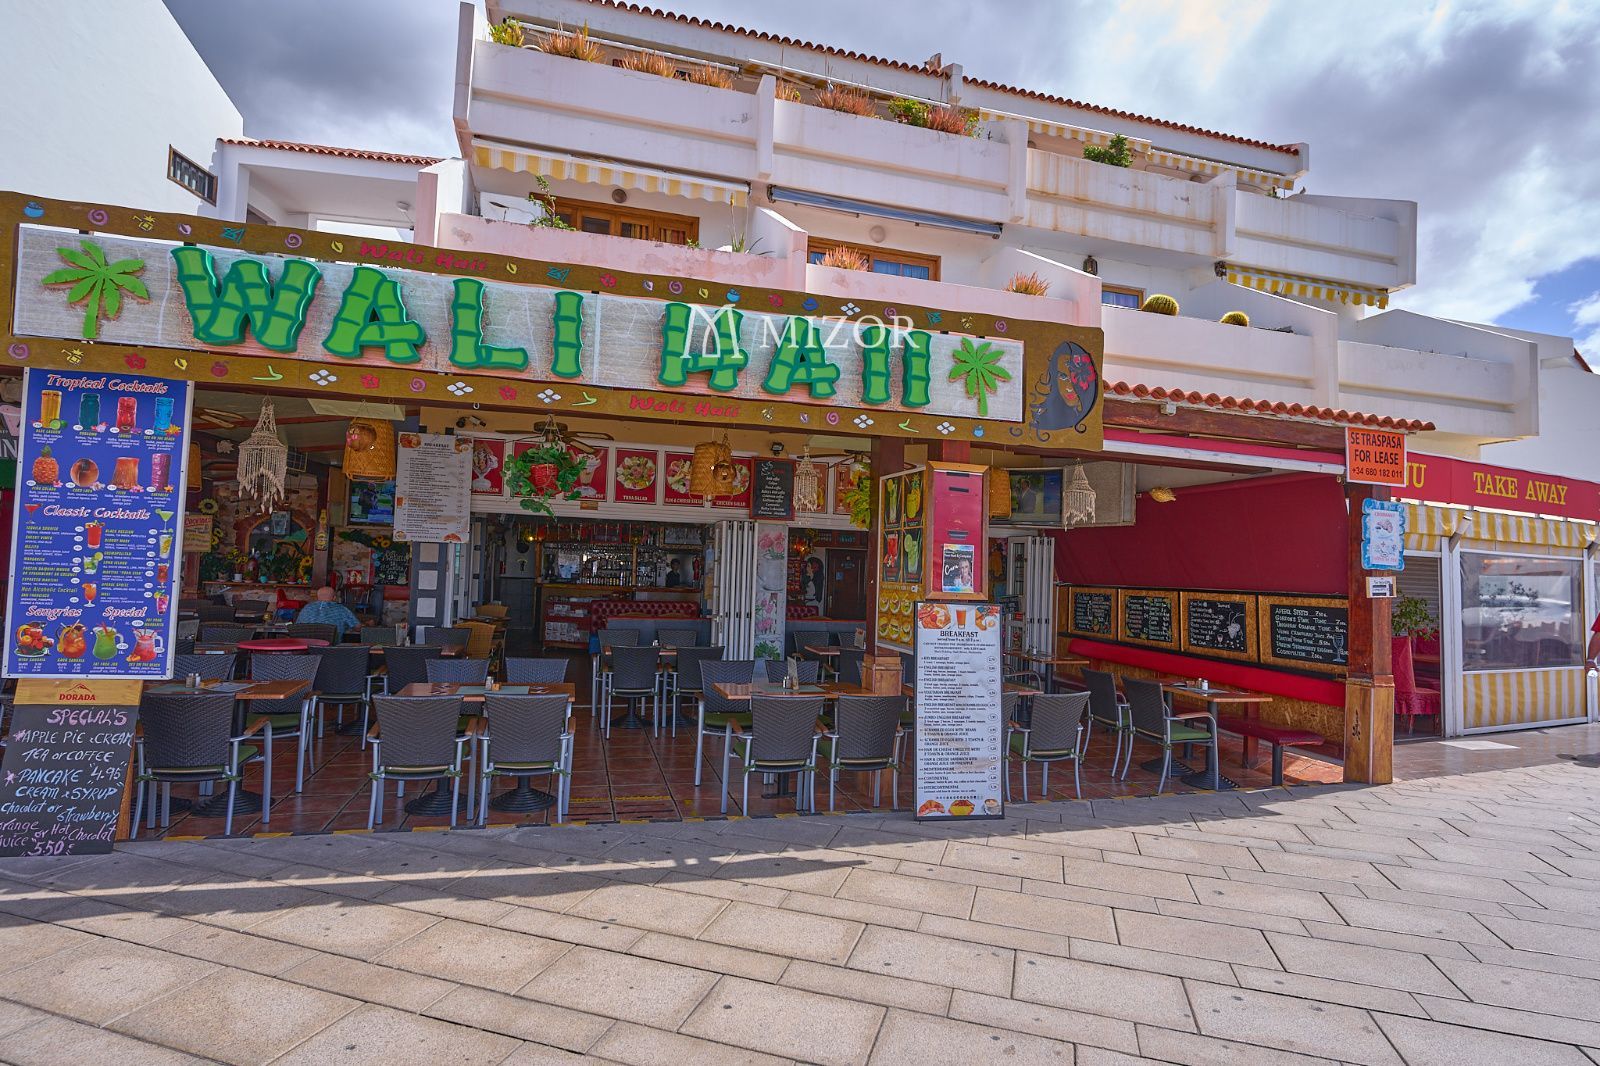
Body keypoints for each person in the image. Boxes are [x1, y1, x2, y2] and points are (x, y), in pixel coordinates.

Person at [296, 586, 361, 640]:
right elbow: (358, 627)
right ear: (334, 598)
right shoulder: (341, 609)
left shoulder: (307, 608)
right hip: (330, 649)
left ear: (317, 597)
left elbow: (297, 627)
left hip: (307, 648)